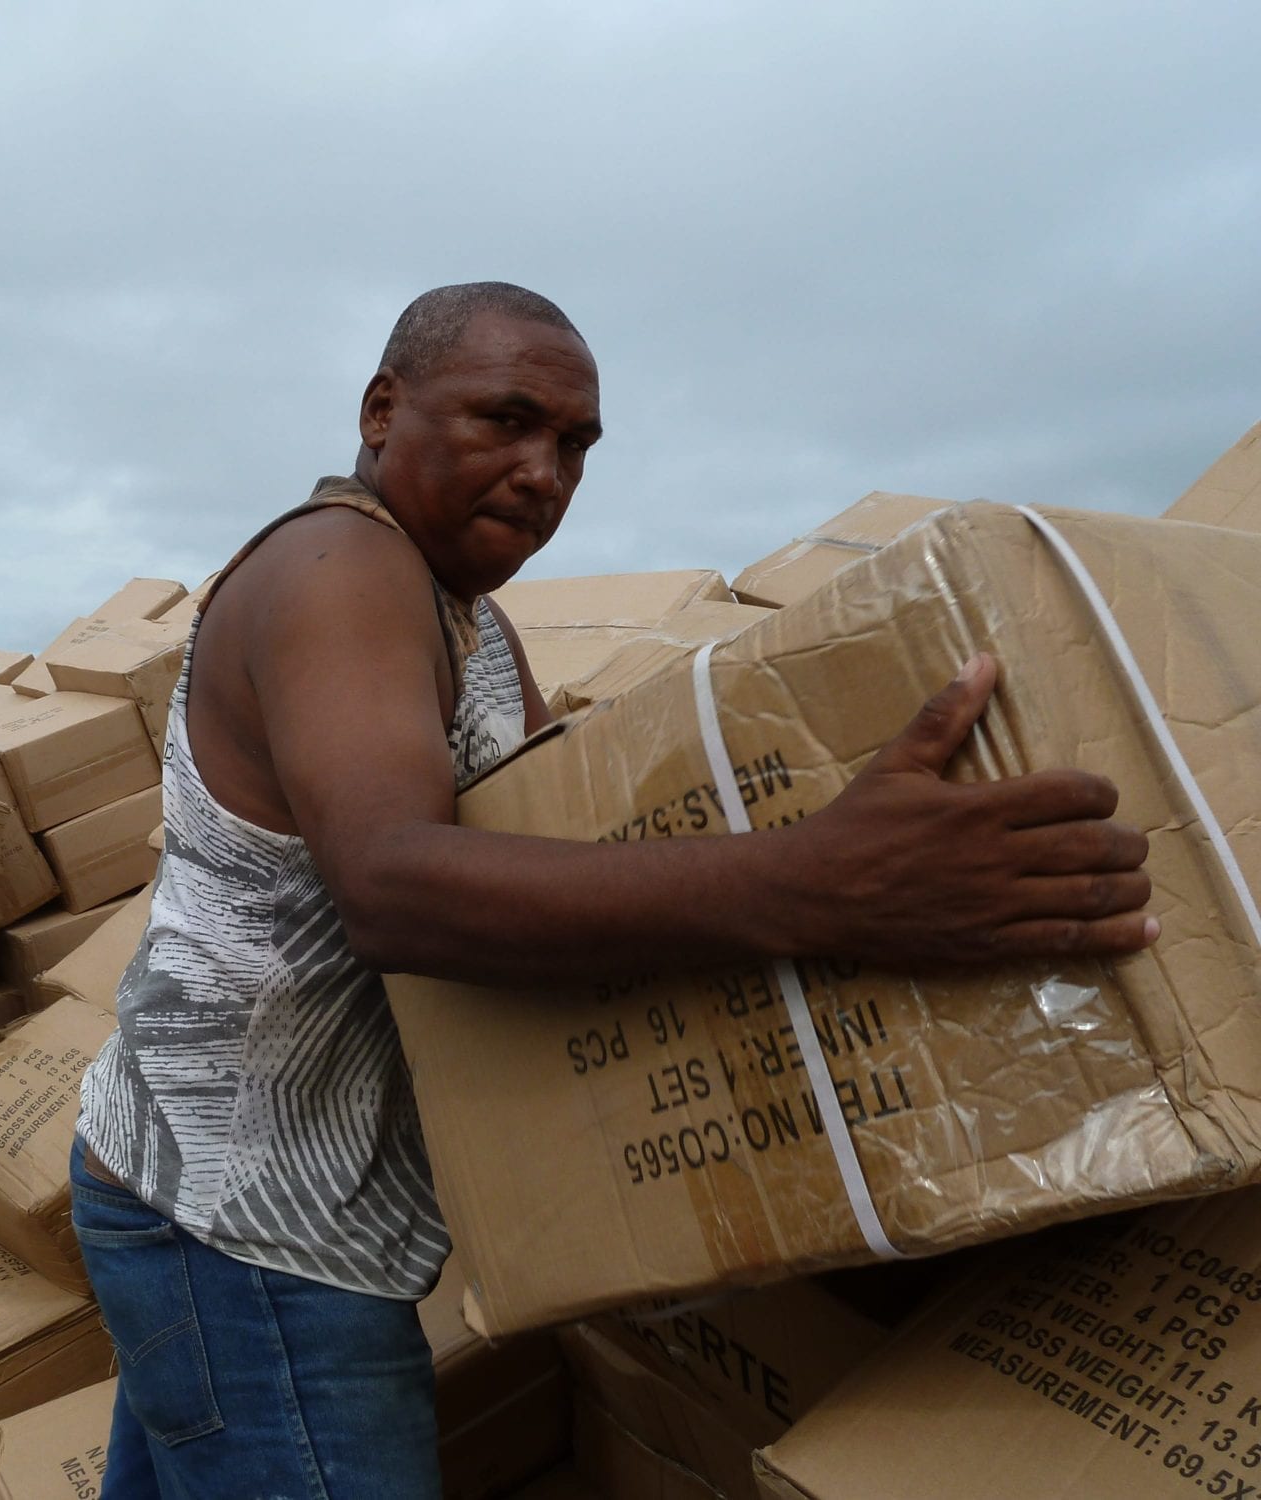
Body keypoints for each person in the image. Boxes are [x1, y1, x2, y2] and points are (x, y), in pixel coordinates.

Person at [72, 282, 1158, 1497]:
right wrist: (822, 884)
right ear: (382, 411)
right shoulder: (338, 569)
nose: (544, 473)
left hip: (229, 1197)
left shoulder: (469, 621)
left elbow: (565, 837)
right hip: (239, 1228)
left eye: (575, 445)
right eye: (506, 420)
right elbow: (394, 890)